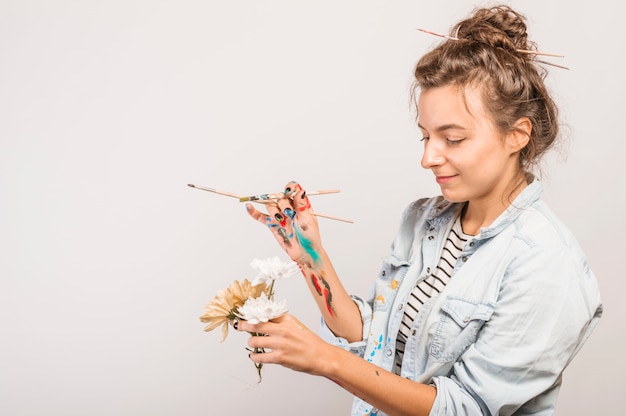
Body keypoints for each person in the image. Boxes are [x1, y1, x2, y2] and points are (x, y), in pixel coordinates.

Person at [236, 5, 603, 415]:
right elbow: (373, 341)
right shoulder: (423, 219)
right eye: (426, 136)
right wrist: (310, 256)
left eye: (453, 138)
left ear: (517, 135)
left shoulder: (546, 265)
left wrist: (326, 359)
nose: (428, 157)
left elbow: (464, 409)